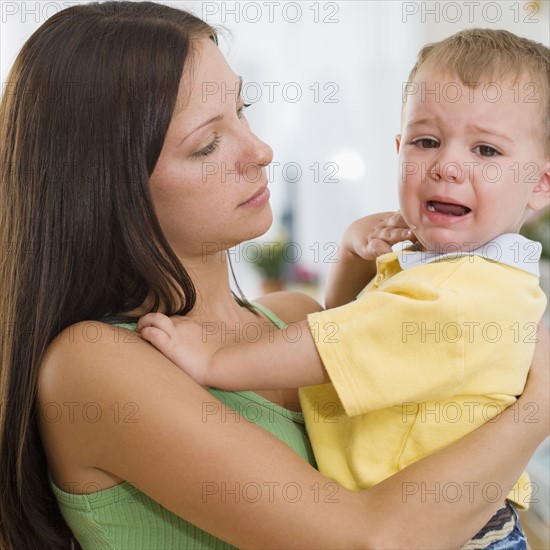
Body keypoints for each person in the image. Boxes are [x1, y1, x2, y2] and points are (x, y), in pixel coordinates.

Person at [0, 3, 548, 548]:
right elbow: (370, 541)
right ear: (108, 189)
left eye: (243, 108)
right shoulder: (96, 364)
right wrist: (537, 409)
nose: (260, 151)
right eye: (207, 144)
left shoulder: (294, 316)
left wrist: (357, 259)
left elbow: (362, 347)